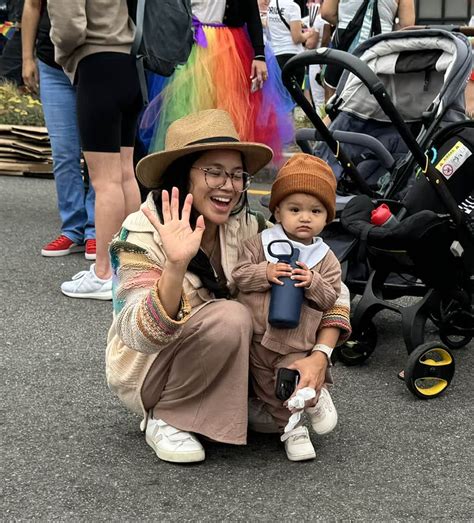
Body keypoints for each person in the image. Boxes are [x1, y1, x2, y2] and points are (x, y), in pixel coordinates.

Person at [106, 109, 352, 464]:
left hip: (235, 361)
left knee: (290, 294)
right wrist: (175, 266)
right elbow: (137, 335)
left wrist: (319, 356)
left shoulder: (250, 226)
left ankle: (239, 400)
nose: (230, 185)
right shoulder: (141, 231)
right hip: (148, 369)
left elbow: (335, 291)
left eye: (237, 174)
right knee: (231, 316)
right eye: (214, 172)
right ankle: (167, 416)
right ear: (181, 174)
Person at [232, 153, 342, 461]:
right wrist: (264, 273)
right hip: (256, 337)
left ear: (327, 217)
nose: (305, 217)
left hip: (296, 341)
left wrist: (313, 281)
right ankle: (292, 423)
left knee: (288, 383)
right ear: (278, 210)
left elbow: (331, 297)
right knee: (267, 387)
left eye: (316, 211)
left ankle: (297, 425)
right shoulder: (260, 242)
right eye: (295, 209)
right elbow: (239, 276)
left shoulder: (325, 258)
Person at [48, 0, 143, 299]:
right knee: (126, 173)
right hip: (129, 63)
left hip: (97, 64)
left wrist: (62, 54)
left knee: (105, 182)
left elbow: (69, 28)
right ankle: (130, 267)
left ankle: (104, 272)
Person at [139, 0, 294, 161]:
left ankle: (224, 166)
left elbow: (251, 12)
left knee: (227, 118)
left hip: (228, 50)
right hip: (190, 46)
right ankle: (188, 168)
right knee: (185, 113)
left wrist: (259, 54)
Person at [21, 0, 96, 259]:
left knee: (98, 153)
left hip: (95, 61)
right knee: (64, 152)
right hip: (51, 64)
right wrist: (27, 58)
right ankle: (73, 229)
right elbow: (32, 5)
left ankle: (95, 230)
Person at [321, 0, 415, 98]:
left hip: (345, 40)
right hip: (380, 44)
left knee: (334, 94)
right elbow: (406, 25)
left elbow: (327, 13)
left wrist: (347, 21)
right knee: (376, 94)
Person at [266, 0, 316, 88]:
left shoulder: (272, 3)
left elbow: (268, 27)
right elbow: (296, 38)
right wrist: (309, 33)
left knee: (281, 95)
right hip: (293, 56)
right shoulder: (293, 7)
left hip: (276, 55)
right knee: (295, 96)